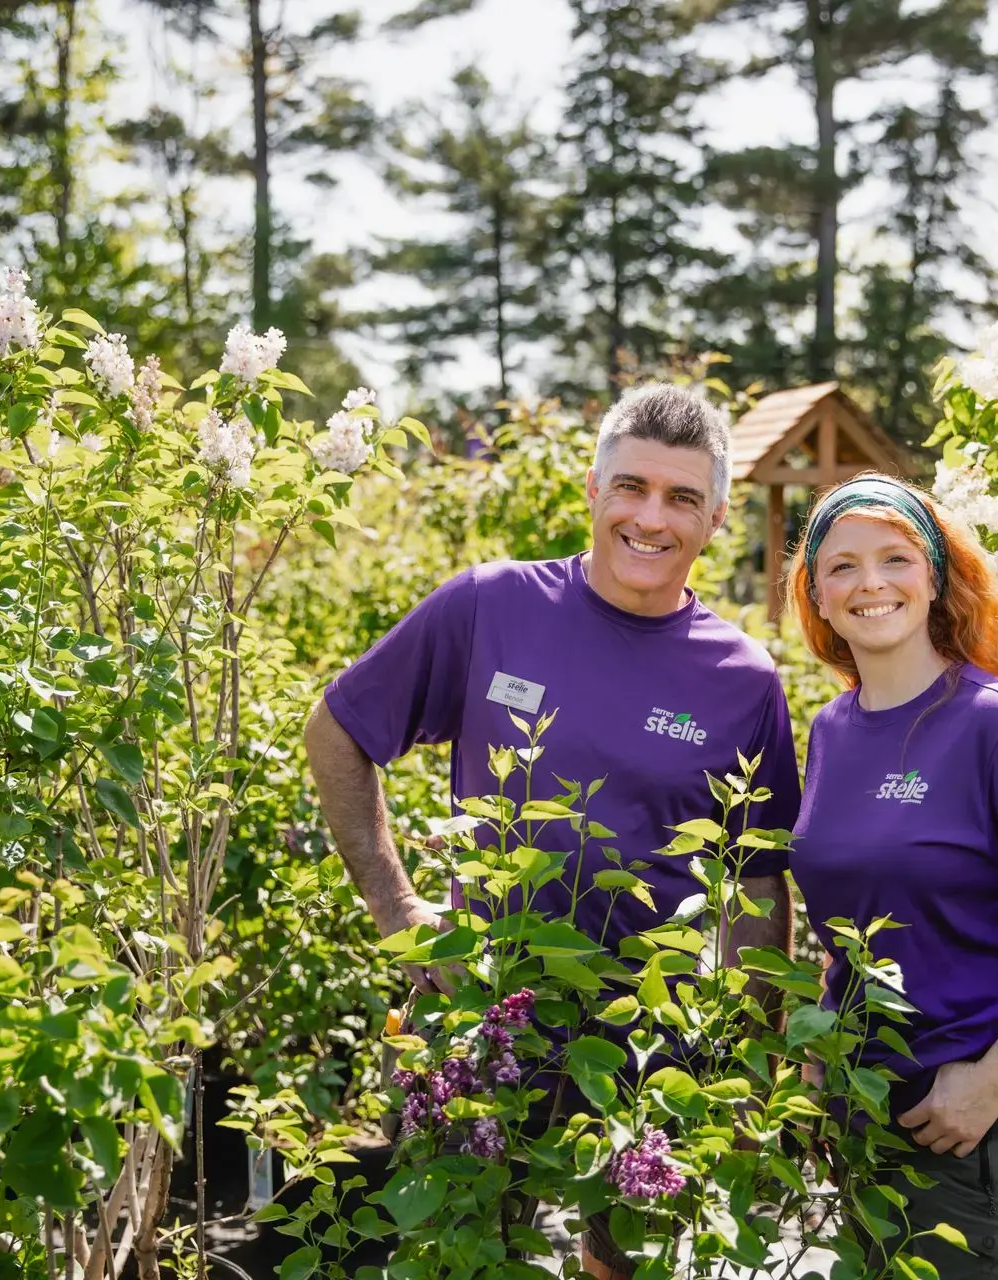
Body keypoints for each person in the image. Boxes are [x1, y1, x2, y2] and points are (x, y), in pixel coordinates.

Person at [304, 383, 801, 1278]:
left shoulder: (744, 678)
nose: (652, 517)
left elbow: (757, 881)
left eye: (682, 498)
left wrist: (750, 1051)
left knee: (629, 1264)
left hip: (652, 1041)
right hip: (486, 1017)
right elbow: (337, 729)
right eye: (632, 487)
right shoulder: (491, 607)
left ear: (717, 517)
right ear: (592, 488)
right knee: (467, 1255)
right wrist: (398, 908)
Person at [784, 474, 998, 1278]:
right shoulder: (832, 730)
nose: (870, 582)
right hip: (865, 1104)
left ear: (934, 578)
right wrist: (817, 1048)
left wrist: (990, 1084)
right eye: (842, 567)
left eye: (895, 558)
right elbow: (853, 913)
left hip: (970, 1112)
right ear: (817, 598)